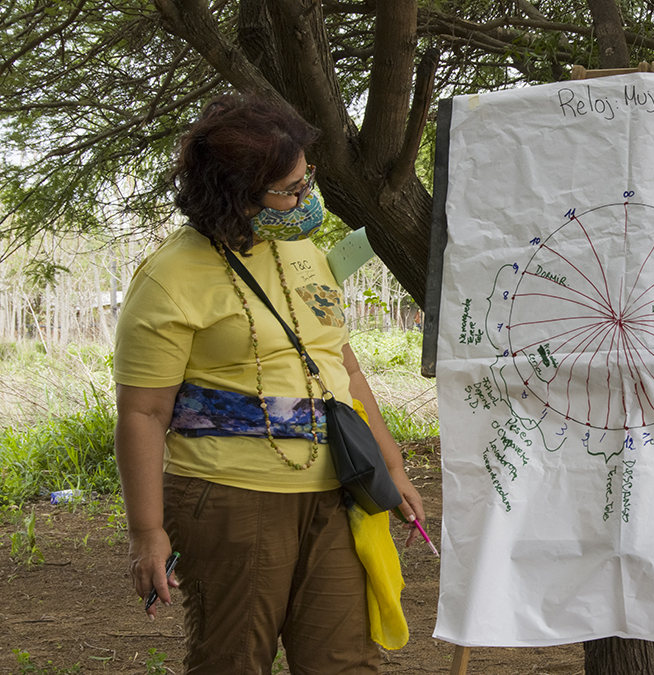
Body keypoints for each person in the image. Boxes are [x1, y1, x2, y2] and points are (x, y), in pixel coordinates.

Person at [113, 95, 425, 674]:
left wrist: (394, 468)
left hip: (338, 493)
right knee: (233, 661)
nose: (305, 201)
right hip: (230, 501)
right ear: (232, 193)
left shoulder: (300, 248)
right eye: (288, 190)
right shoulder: (170, 277)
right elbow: (143, 413)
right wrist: (147, 532)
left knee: (345, 663)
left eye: (306, 182)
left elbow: (343, 368)